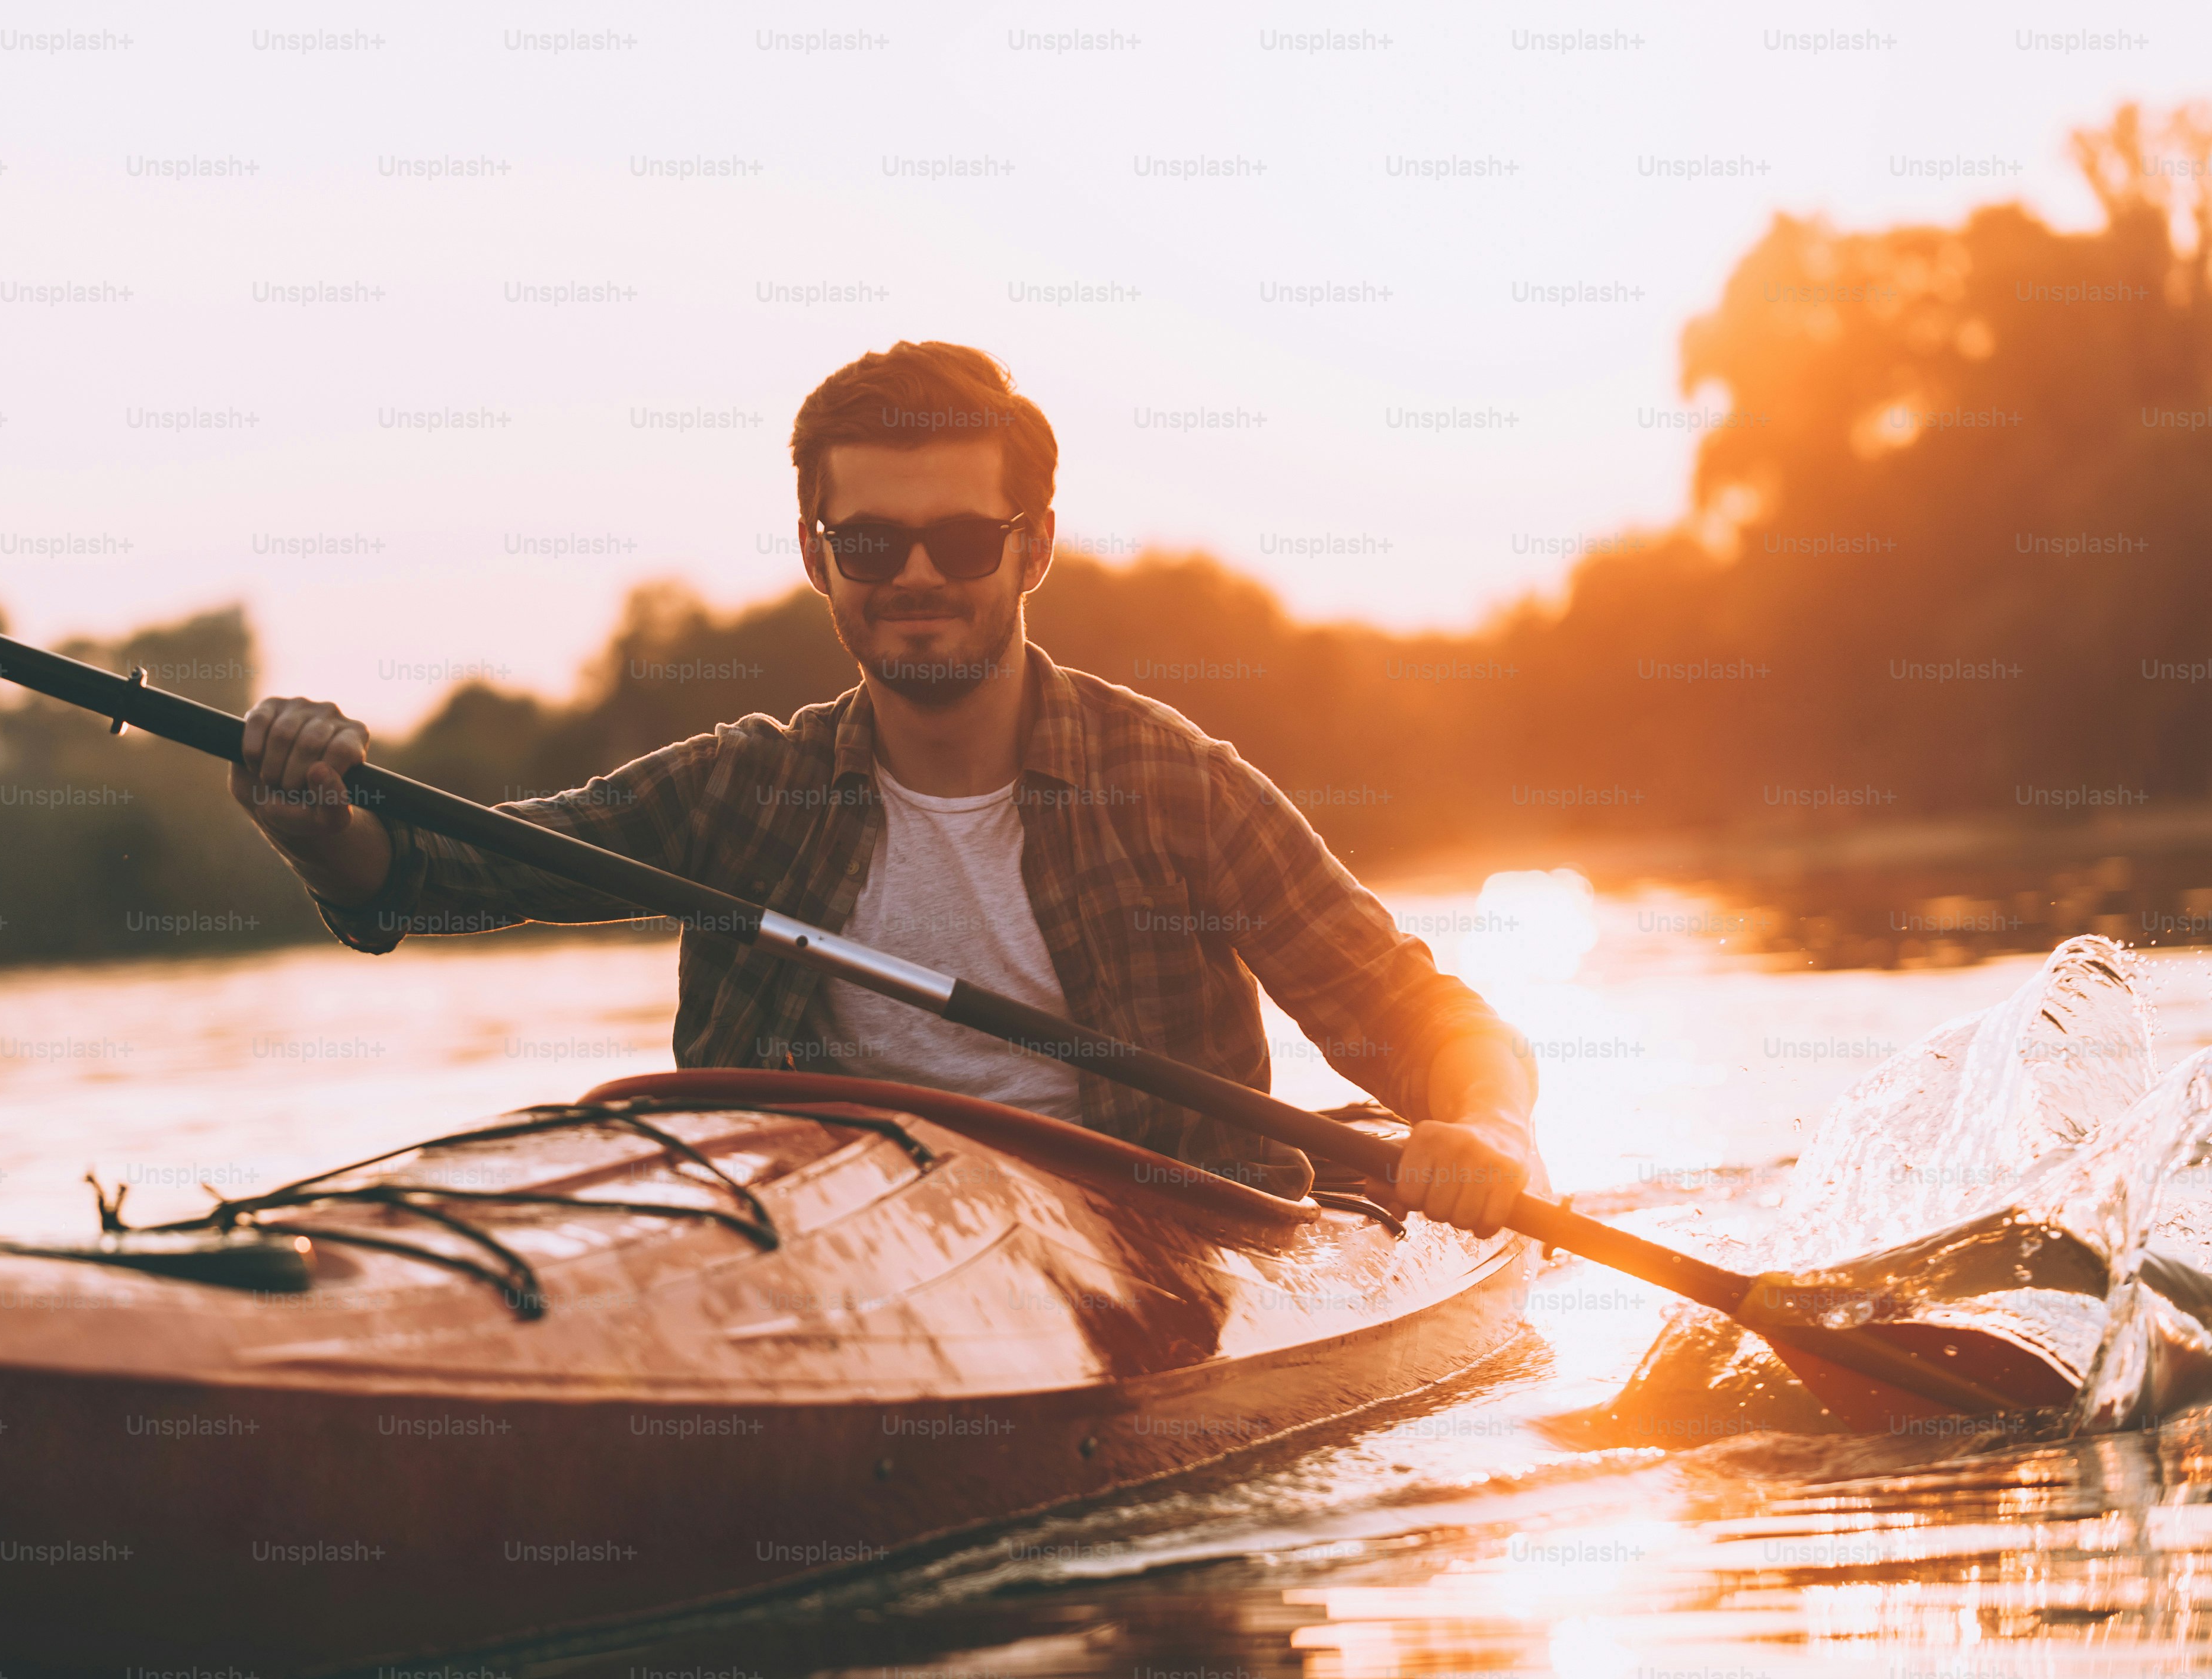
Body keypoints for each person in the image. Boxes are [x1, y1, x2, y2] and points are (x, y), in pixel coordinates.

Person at [230, 340, 1537, 1236]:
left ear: (1031, 548)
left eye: (962, 537)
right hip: (822, 1265)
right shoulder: (746, 789)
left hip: (1159, 1263)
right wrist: (317, 822)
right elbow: (438, 871)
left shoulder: (1174, 786)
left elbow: (1420, 1021)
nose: (915, 572)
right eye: (870, 540)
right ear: (817, 553)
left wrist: (1487, 1132)